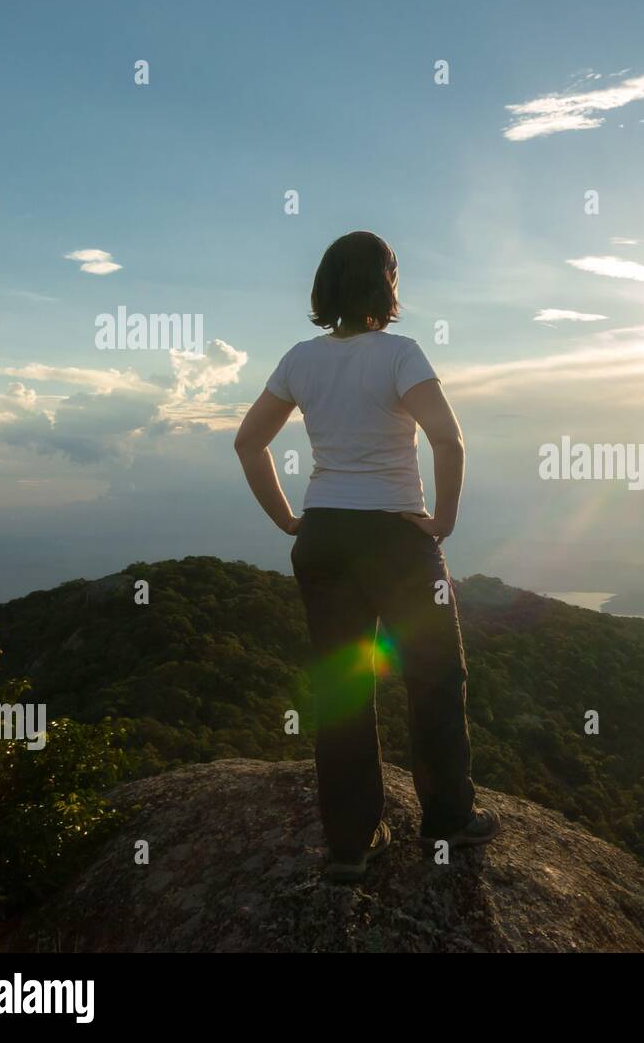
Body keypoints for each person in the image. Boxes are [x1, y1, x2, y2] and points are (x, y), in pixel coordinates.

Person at [234, 230, 499, 882]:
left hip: (324, 537)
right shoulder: (401, 355)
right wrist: (444, 520)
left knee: (342, 690)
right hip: (399, 541)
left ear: (326, 287)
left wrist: (290, 518)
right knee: (436, 679)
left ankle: (351, 844)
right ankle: (449, 820)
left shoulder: (300, 358)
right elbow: (449, 440)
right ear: (387, 283)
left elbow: (248, 442)